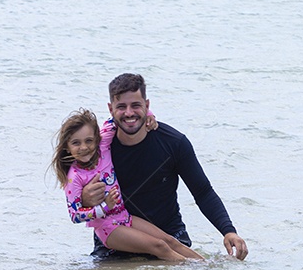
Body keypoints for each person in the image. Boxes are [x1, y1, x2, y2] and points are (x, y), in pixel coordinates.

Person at [81, 73, 249, 260]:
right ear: (110, 109)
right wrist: (84, 199)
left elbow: (203, 192)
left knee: (200, 269)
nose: (129, 113)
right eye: (121, 107)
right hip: (115, 248)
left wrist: (228, 231)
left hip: (171, 240)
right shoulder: (96, 150)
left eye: (135, 105)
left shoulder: (174, 143)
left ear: (147, 106)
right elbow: (73, 190)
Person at [52, 108, 205, 262]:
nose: (84, 147)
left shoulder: (103, 147)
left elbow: (118, 117)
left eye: (89, 140)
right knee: (160, 246)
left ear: (97, 138)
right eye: (76, 143)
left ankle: (207, 265)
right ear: (67, 147)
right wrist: (104, 207)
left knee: (169, 240)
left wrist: (148, 115)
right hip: (107, 228)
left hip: (125, 217)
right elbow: (75, 215)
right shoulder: (74, 178)